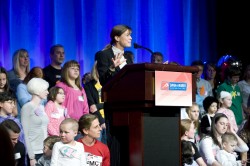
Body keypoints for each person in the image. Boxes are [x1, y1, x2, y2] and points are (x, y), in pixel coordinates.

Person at [21, 78, 49, 166]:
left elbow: (44, 128)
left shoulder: (41, 107)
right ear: (37, 90)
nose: (47, 92)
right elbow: (25, 132)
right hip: (34, 152)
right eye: (45, 90)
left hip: (45, 150)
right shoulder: (27, 107)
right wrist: (31, 157)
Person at [84, 61, 106, 144]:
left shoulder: (110, 84)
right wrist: (102, 121)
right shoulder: (88, 86)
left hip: (110, 120)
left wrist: (98, 105)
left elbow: (113, 103)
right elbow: (92, 107)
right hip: (97, 122)